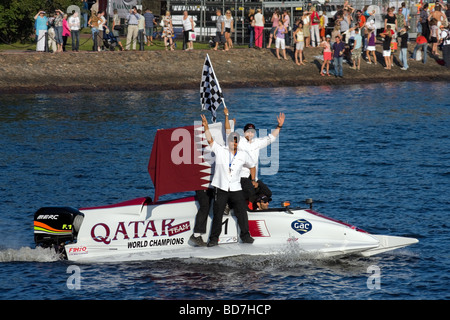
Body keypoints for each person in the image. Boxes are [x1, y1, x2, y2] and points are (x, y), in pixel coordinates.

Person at [200, 114, 256, 247]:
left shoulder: (243, 154)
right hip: (221, 187)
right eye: (231, 140)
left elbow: (252, 166)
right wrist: (206, 126)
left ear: (238, 142)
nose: (233, 143)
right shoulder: (220, 150)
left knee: (242, 211)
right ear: (229, 141)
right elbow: (210, 141)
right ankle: (214, 239)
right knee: (218, 213)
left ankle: (245, 236)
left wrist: (253, 179)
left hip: (236, 188)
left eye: (236, 141)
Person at [235, 112, 285, 205]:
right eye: (248, 131)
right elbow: (228, 135)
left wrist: (279, 126)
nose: (250, 134)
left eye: (252, 132)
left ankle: (256, 205)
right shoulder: (239, 141)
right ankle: (236, 205)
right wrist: (230, 123)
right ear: (244, 132)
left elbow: (271, 138)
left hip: (254, 178)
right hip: (241, 176)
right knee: (250, 192)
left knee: (268, 193)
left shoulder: (256, 142)